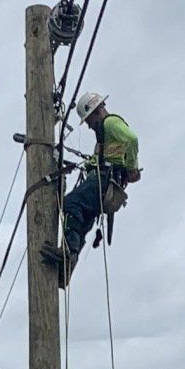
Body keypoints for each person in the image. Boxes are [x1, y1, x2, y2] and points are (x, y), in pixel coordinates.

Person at [42, 92, 140, 283]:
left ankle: (67, 255)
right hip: (105, 180)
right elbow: (114, 153)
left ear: (95, 112)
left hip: (104, 180)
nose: (87, 125)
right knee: (82, 222)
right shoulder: (105, 135)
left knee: (70, 204)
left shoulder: (109, 123)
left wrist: (132, 168)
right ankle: (68, 262)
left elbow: (132, 138)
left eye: (88, 120)